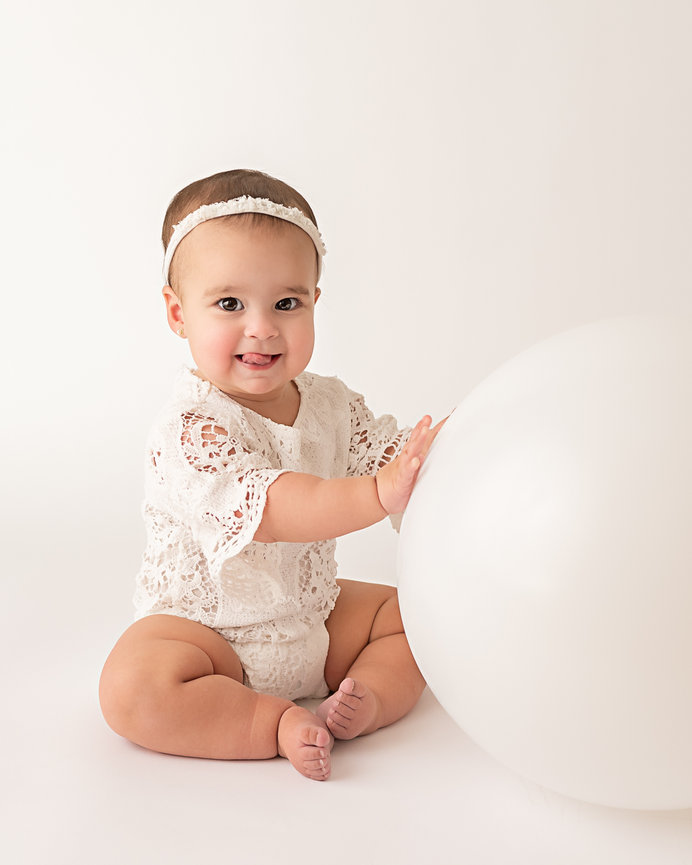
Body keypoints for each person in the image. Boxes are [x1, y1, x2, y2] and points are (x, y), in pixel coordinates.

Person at [99, 169, 444, 781]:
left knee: (416, 613)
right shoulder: (191, 427)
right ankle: (267, 722)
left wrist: (435, 453)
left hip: (313, 615)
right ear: (178, 314)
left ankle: (365, 699)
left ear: (315, 299)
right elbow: (276, 508)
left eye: (287, 302)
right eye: (229, 303)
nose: (261, 327)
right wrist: (375, 494)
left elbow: (389, 459)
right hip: (207, 637)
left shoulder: (331, 404)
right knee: (133, 686)